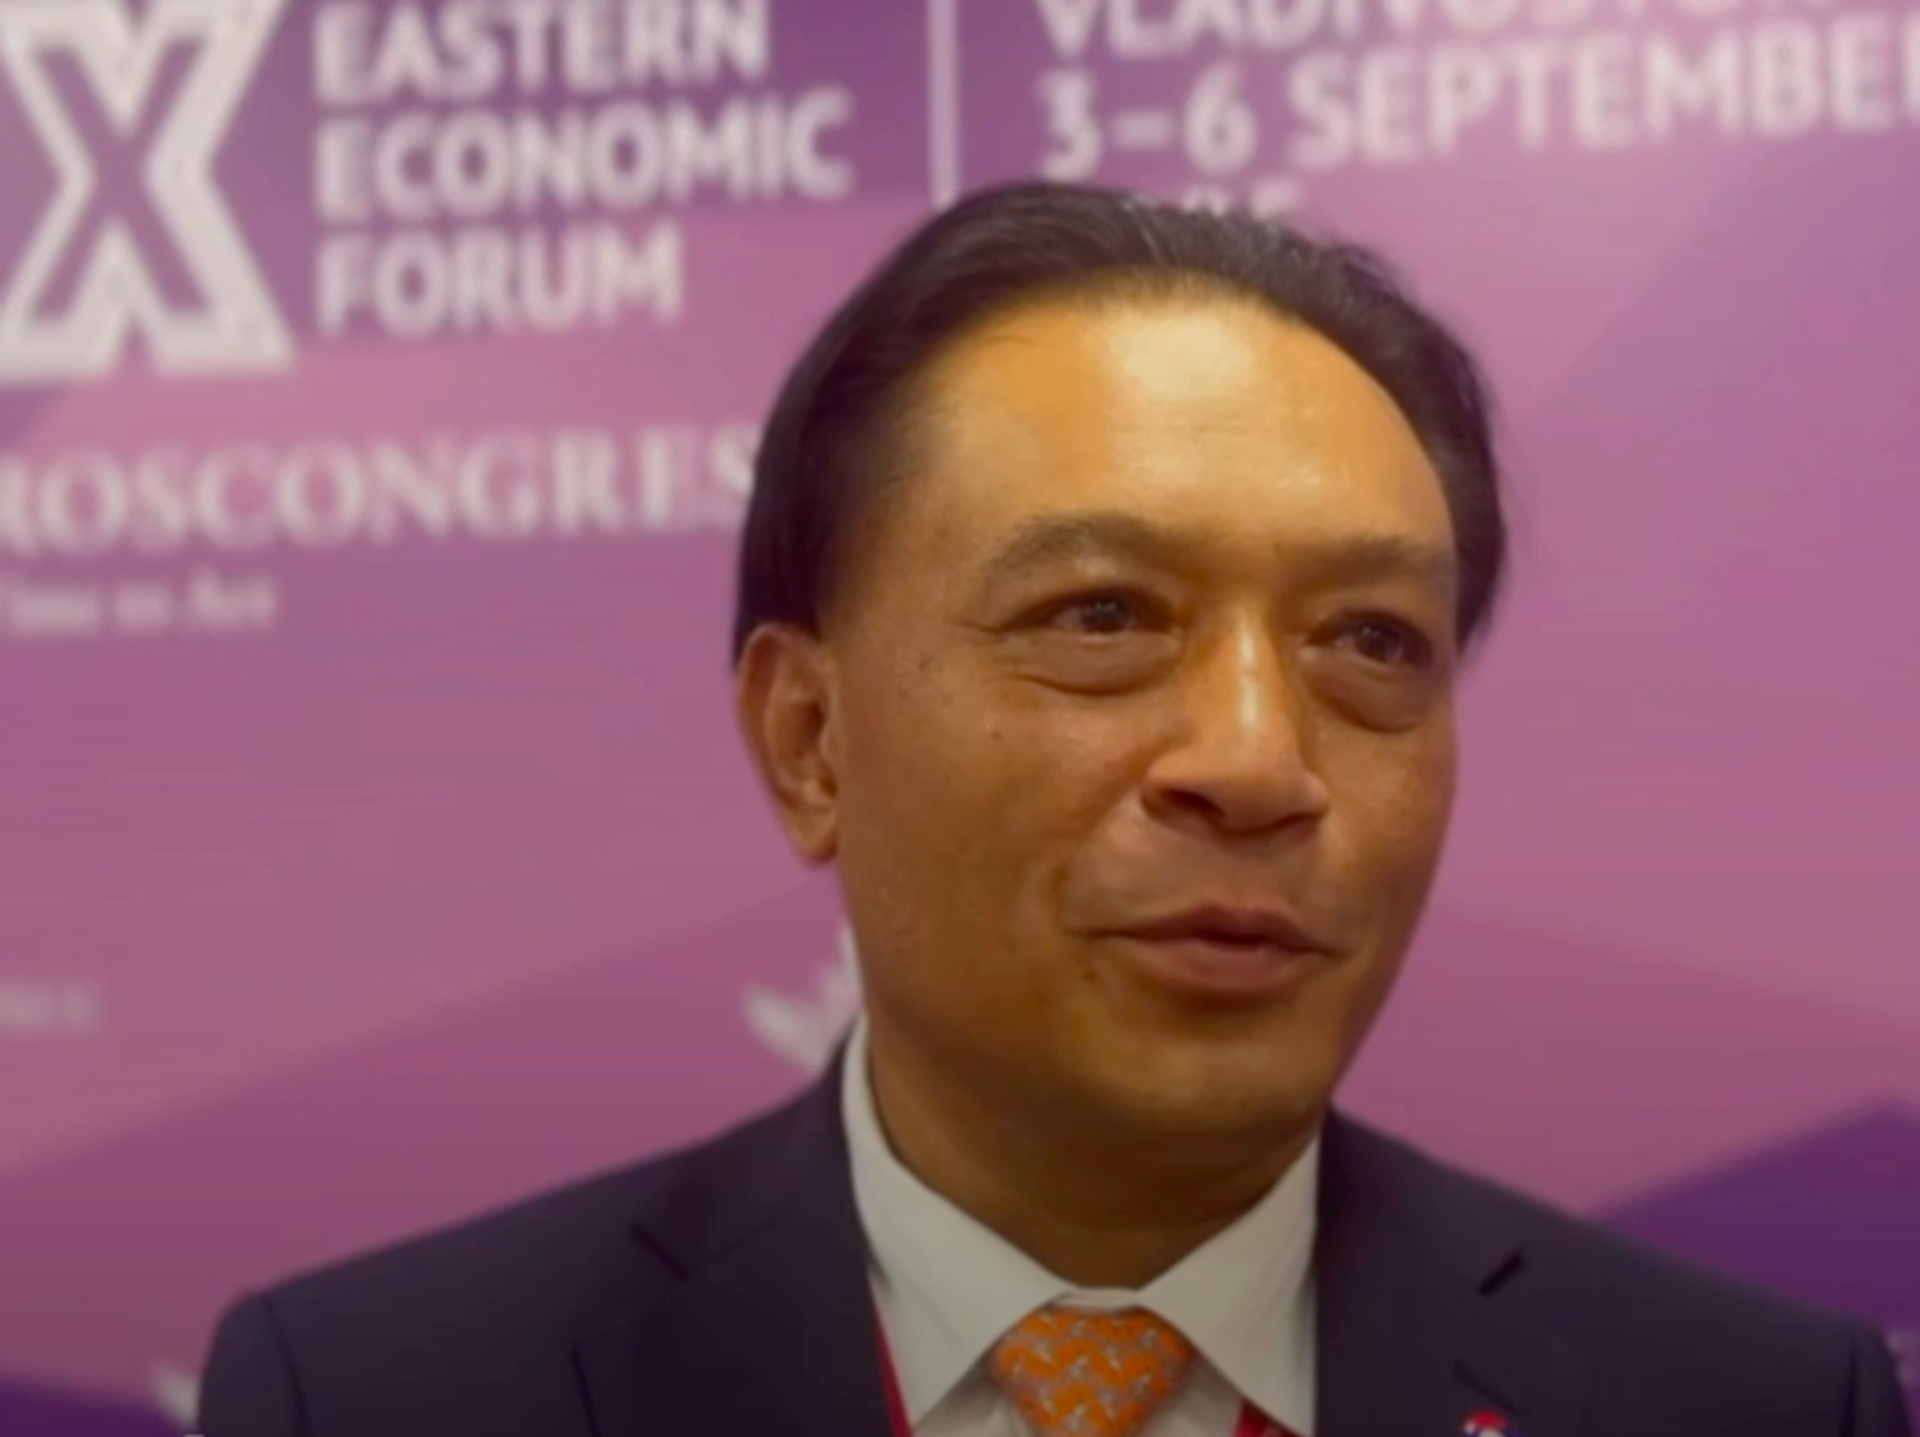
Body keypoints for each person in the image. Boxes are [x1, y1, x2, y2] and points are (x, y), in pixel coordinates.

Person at [199, 181, 1912, 1437]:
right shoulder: (375, 1395)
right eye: (1104, 616)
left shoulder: (1749, 1405)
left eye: (1370, 643)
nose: (1258, 759)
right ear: (810, 740)